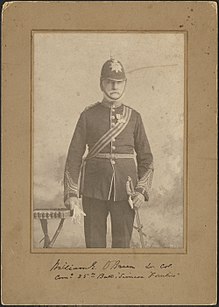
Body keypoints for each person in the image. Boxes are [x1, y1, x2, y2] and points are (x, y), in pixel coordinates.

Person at [64, 57, 154, 248]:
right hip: (93, 190)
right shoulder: (88, 116)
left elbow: (147, 159)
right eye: (109, 81)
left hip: (125, 192)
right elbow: (73, 158)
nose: (114, 86)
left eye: (119, 82)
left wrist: (141, 190)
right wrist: (72, 194)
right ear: (101, 84)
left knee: (122, 247)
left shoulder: (134, 117)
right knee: (94, 246)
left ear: (125, 85)